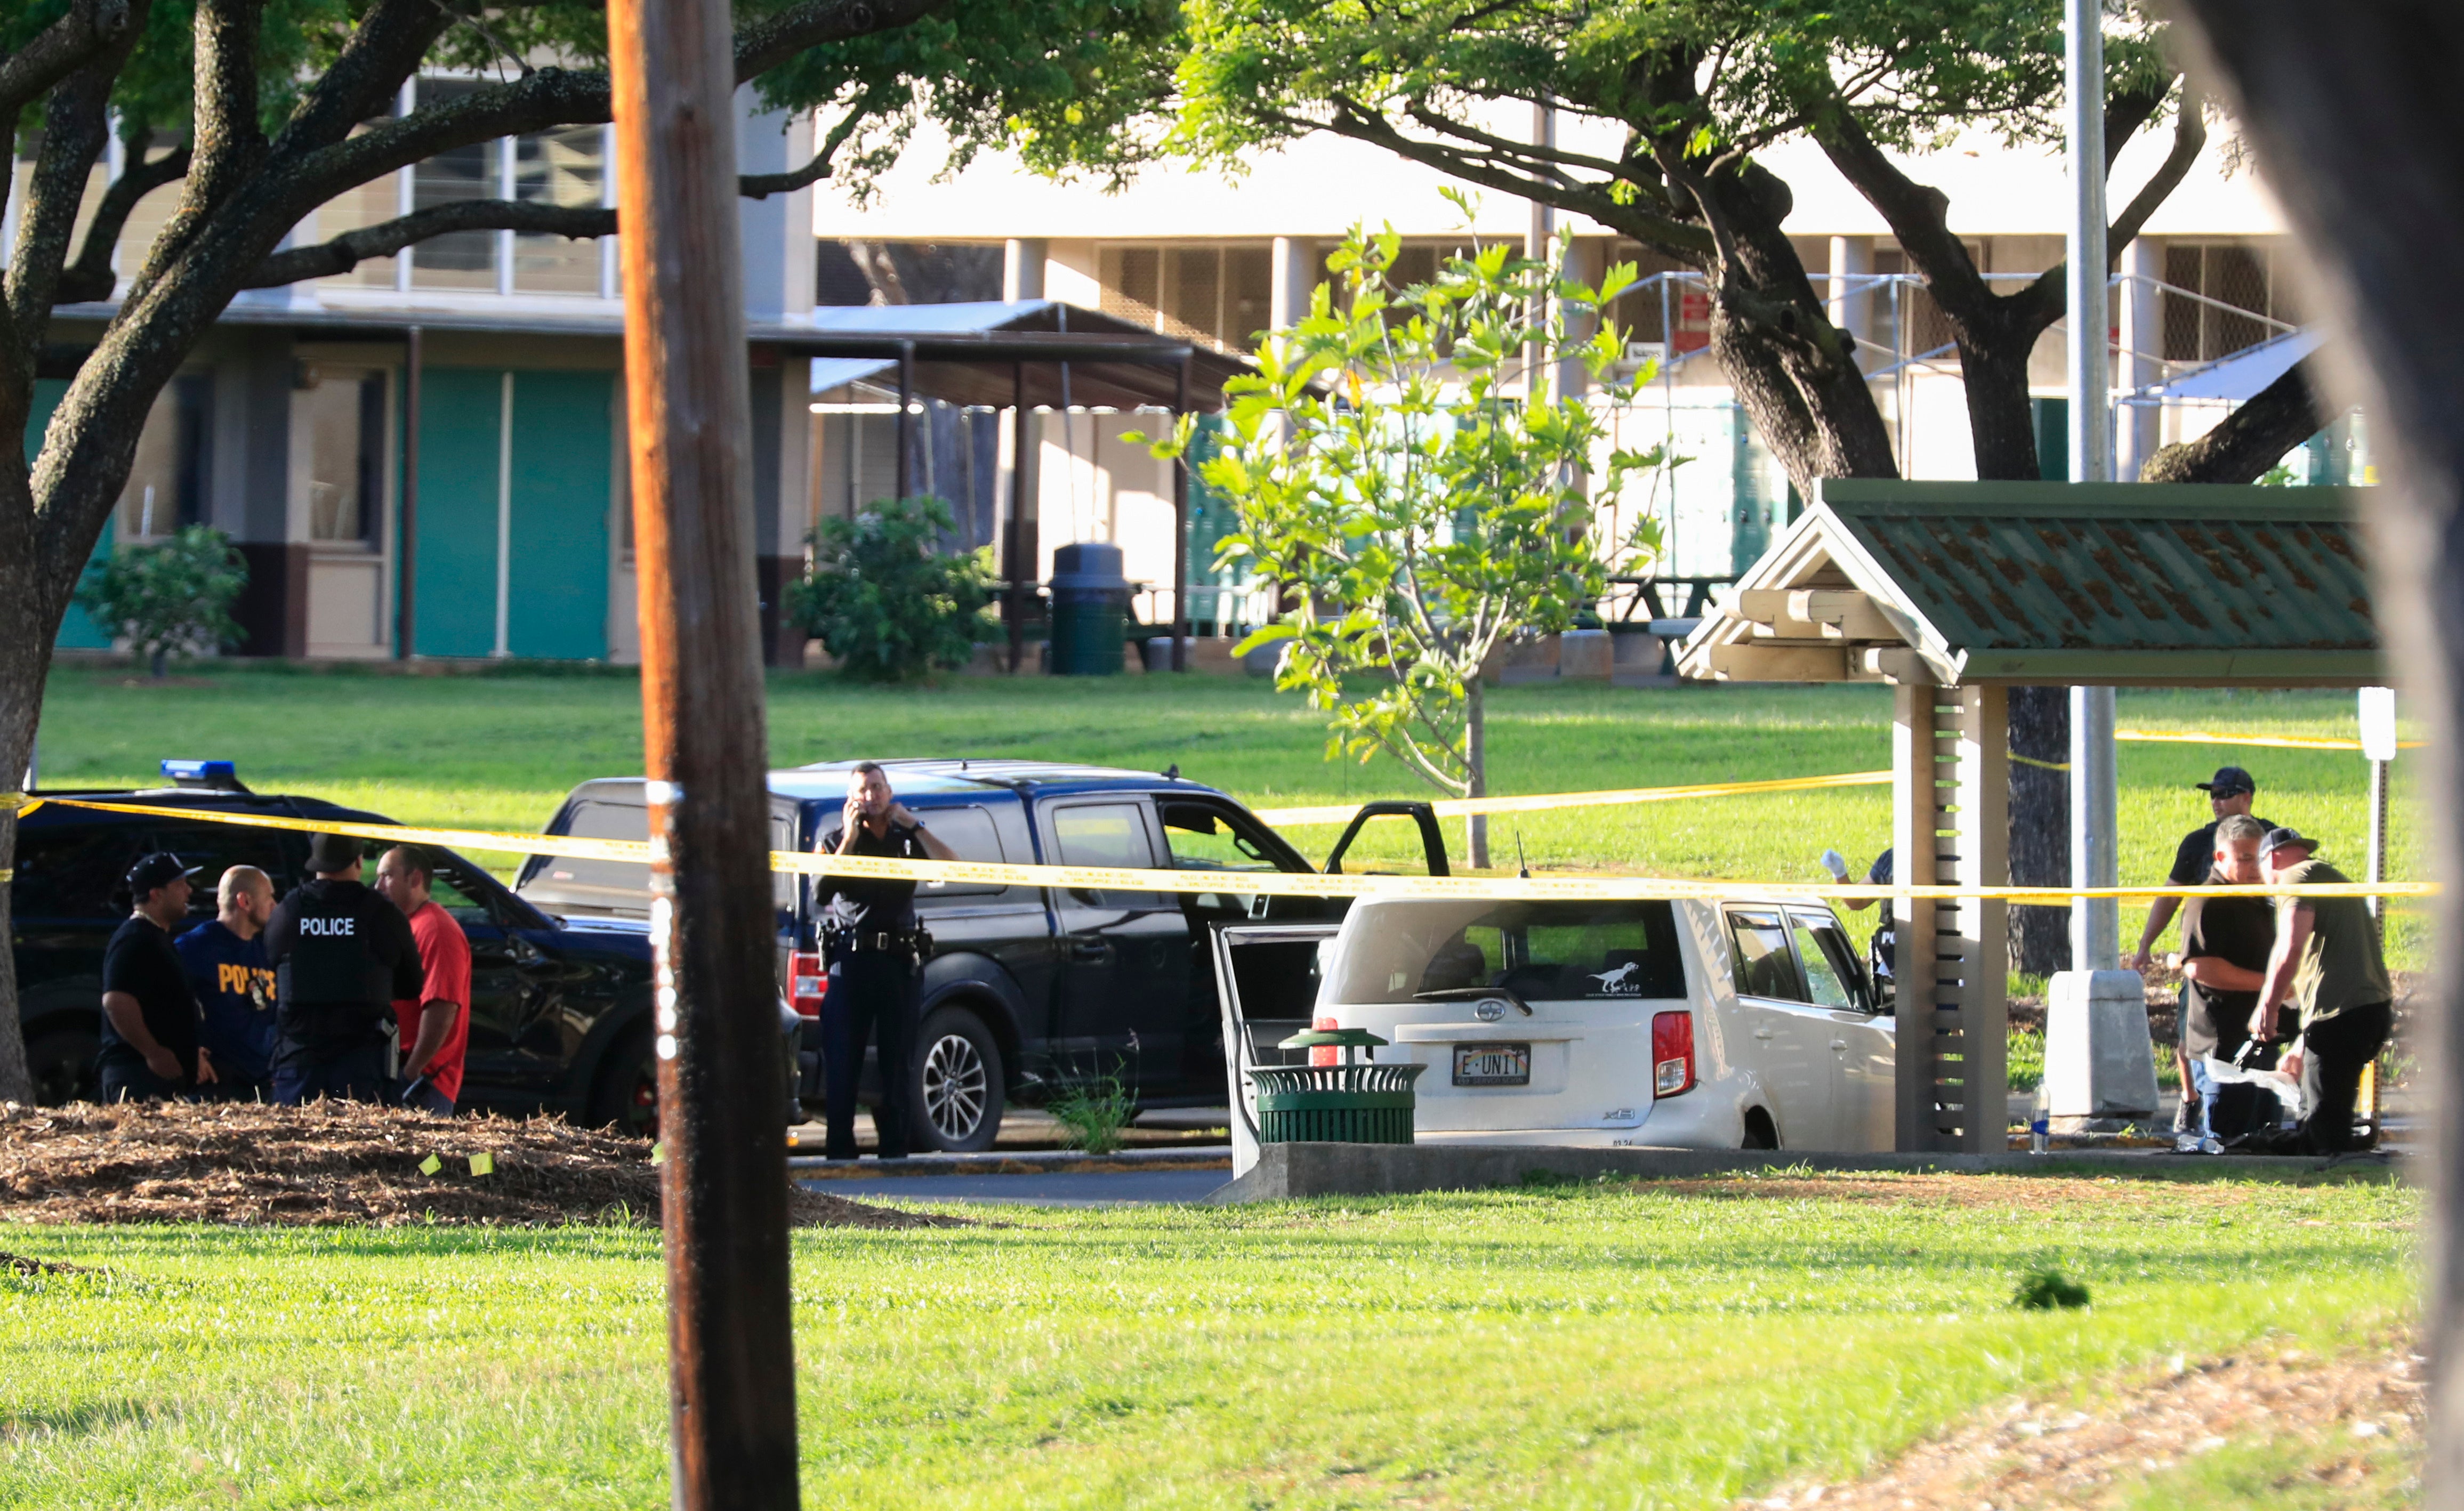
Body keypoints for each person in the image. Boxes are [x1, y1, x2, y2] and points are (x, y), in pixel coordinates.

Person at [814, 762, 959, 1159]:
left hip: (899, 963)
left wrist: (915, 826)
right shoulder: (833, 841)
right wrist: (848, 839)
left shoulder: (905, 840)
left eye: (878, 788)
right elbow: (821, 893)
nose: (871, 796)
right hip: (852, 963)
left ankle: (895, 1155)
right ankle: (840, 1154)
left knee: (899, 1062)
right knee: (843, 1060)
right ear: (851, 797)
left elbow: (951, 866)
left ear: (889, 791)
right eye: (863, 790)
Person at [2252, 827, 2394, 1155]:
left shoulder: (2293, 879)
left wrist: (2268, 1006)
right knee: (2318, 1116)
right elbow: (2334, 967)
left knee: (2324, 1132)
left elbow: (2290, 947)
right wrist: (2303, 1044)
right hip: (2367, 1009)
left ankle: (2333, 1181)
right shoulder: (2330, 876)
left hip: (2342, 1016)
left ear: (2271, 859)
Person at [265, 834, 423, 1105]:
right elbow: (412, 984)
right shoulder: (383, 914)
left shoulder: (288, 912)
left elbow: (273, 965)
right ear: (359, 862)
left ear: (315, 864)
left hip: (300, 1064)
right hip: (364, 1067)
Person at [2170, 814, 2278, 1142]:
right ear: (2220, 858)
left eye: (2259, 858)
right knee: (2228, 1145)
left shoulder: (2258, 897)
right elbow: (2201, 968)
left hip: (2261, 1039)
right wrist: (2270, 985)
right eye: (2244, 858)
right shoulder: (2209, 901)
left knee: (2263, 1142)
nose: (2255, 867)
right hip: (2225, 1046)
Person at [2128, 766, 2273, 972]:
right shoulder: (2198, 843)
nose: (2216, 801)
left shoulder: (2273, 839)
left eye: (2224, 795)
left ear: (2246, 797)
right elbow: (2170, 896)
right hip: (2210, 948)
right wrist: (2145, 945)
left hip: (2261, 949)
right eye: (2213, 795)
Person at [97, 852, 211, 1103]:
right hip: (137, 1078)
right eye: (180, 885)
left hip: (163, 1079)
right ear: (156, 894)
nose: (189, 892)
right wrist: (153, 1052)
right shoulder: (135, 939)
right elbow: (117, 1002)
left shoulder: (158, 937)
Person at [374, 846, 472, 1115]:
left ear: (415, 879)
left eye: (387, 876)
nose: (378, 885)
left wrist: (411, 1071)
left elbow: (442, 1007)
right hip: (404, 1075)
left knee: (423, 1159)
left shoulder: (436, 930)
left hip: (423, 1086)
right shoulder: (412, 925)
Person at [174, 865, 279, 1103]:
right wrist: (190, 1053)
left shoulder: (266, 952)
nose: (274, 905)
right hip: (215, 1085)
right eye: (269, 897)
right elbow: (166, 1005)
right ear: (244, 901)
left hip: (262, 1084)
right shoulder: (194, 948)